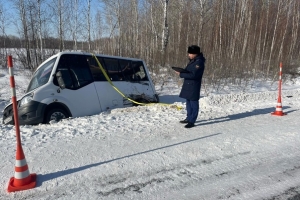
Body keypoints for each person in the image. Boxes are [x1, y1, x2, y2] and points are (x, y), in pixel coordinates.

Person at [175, 45, 205, 128]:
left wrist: (181, 74)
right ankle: (188, 118)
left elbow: (194, 75)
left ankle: (192, 121)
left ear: (195, 54)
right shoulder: (193, 61)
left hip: (194, 85)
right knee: (188, 102)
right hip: (188, 84)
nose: (189, 55)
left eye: (190, 54)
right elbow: (189, 71)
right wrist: (182, 71)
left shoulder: (199, 62)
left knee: (194, 103)